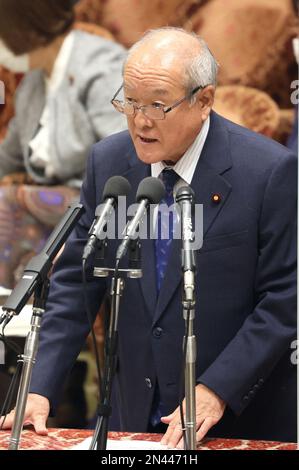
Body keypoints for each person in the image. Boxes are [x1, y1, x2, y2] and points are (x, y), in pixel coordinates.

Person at [1, 27, 296, 447]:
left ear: (204, 100)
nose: (140, 121)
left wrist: (216, 391)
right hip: (133, 418)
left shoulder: (268, 173)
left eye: (158, 106)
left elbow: (286, 299)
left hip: (234, 420)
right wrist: (39, 385)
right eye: (130, 102)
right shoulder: (110, 163)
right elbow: (76, 283)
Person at [0, 0, 126, 288]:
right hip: (59, 205)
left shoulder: (101, 68)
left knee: (7, 202)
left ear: (23, 28)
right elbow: (7, 159)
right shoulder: (33, 83)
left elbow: (126, 159)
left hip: (107, 205)